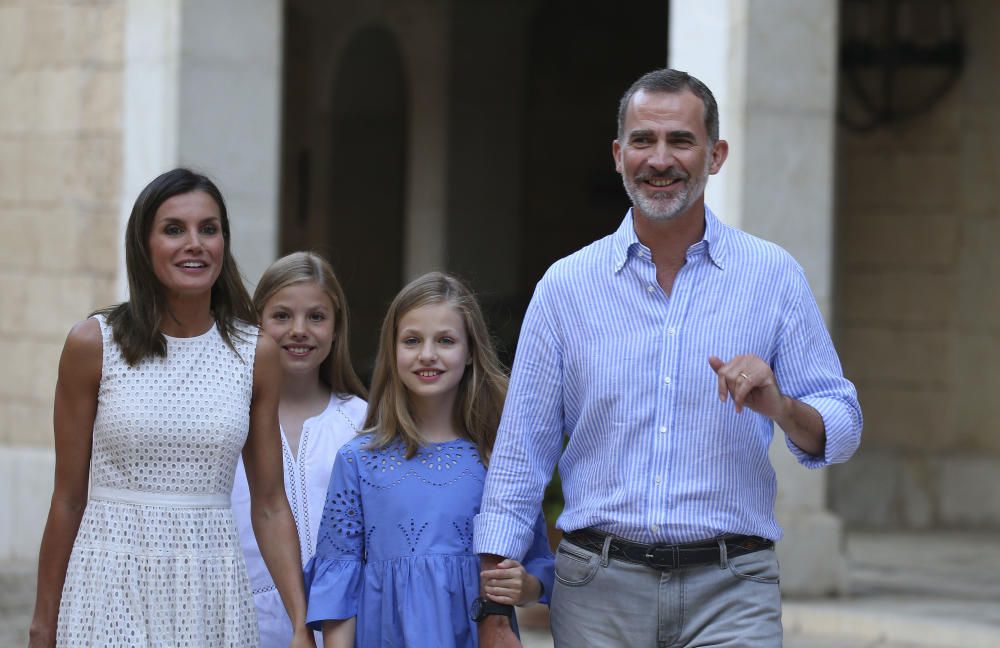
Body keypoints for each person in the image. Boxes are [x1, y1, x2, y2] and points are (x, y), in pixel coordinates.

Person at [474, 68, 864, 647]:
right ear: (617, 154)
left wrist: (781, 406)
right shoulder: (566, 286)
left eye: (680, 140)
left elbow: (843, 425)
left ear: (716, 154)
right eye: (643, 140)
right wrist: (493, 608)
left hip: (733, 587)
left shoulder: (773, 277)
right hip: (596, 592)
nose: (661, 159)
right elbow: (519, 454)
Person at [28, 169, 315, 648]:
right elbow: (68, 498)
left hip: (210, 587)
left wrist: (300, 622)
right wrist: (43, 625)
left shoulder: (256, 353)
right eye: (174, 229)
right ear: (144, 244)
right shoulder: (93, 344)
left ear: (224, 241)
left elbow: (268, 504)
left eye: (209, 228)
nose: (195, 243)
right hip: (108, 580)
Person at [303, 272, 554, 647]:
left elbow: (538, 570)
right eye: (412, 340)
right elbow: (339, 585)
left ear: (470, 352)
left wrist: (525, 586)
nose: (427, 354)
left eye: (446, 340)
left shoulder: (500, 460)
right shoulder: (358, 461)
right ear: (393, 350)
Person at [231, 251, 368, 647]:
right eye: (282, 316)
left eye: (316, 317)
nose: (299, 330)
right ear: (256, 323)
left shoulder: (363, 422)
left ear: (337, 327)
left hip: (342, 629)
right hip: (241, 623)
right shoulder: (228, 422)